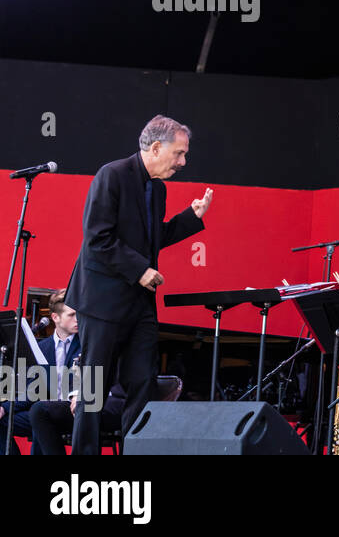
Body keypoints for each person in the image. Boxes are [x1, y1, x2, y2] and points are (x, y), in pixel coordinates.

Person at [65, 115, 212, 455]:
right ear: (156, 147)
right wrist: (140, 271)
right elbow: (97, 238)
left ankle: (134, 451)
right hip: (102, 301)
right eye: (179, 153)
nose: (183, 162)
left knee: (143, 381)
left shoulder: (157, 188)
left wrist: (192, 218)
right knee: (93, 388)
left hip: (139, 302)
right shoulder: (112, 175)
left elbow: (150, 239)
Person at [1, 290, 79, 454]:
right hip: (43, 411)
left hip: (71, 411)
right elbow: (32, 390)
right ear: (55, 318)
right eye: (71, 315)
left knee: (40, 412)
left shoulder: (87, 344)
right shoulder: (41, 348)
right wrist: (4, 408)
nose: (77, 319)